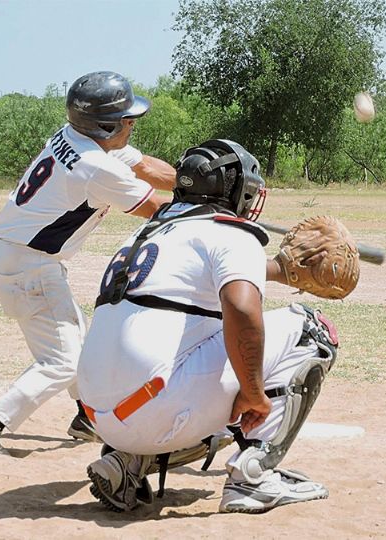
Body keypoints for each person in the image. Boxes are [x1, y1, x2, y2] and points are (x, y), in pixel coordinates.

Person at [77, 139, 338, 514]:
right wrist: (252, 391)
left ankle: (127, 463)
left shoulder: (150, 232)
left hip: (102, 416)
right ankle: (254, 478)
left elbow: (201, 279)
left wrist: (281, 270)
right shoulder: (232, 232)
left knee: (189, 347)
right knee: (314, 330)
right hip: (155, 406)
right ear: (237, 192)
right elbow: (242, 309)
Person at [0, 71, 177, 456]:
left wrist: (194, 182)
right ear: (105, 125)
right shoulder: (95, 166)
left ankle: (87, 418)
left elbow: (144, 166)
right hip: (28, 265)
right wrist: (217, 209)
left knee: (76, 341)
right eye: (126, 120)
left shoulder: (78, 137)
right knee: (64, 359)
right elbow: (156, 209)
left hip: (18, 255)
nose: (132, 125)